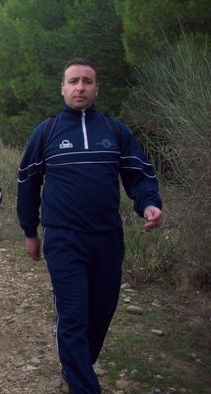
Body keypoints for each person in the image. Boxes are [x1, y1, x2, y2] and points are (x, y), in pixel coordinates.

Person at [17, 58, 163, 393]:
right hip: (63, 238)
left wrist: (149, 204)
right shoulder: (47, 132)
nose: (80, 87)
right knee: (73, 317)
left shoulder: (115, 131)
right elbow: (27, 183)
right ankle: (84, 385)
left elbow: (138, 174)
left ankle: (77, 366)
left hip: (107, 238)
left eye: (87, 81)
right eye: (73, 81)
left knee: (101, 313)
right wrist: (30, 232)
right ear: (63, 88)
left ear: (97, 87)